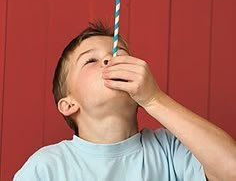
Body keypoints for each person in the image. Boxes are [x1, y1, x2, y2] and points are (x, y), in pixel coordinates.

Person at [14, 21, 236, 180]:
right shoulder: (46, 167)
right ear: (69, 104)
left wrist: (153, 99)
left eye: (120, 54)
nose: (112, 59)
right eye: (91, 60)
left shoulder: (169, 151)